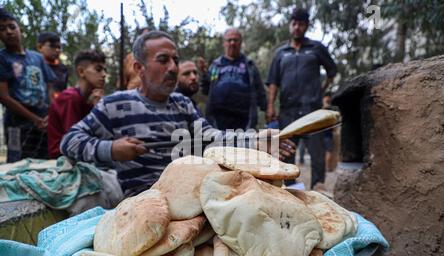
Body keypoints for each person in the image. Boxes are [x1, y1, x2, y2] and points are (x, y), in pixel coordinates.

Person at [60, 30, 295, 197]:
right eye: (163, 60)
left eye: (175, 60)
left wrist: (255, 140)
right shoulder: (114, 105)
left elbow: (211, 138)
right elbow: (69, 141)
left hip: (192, 193)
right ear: (139, 68)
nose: (173, 67)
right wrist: (111, 149)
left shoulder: (182, 104)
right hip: (144, 201)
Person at [266, 8, 337, 189]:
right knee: (286, 152)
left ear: (306, 26)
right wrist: (270, 106)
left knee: (317, 152)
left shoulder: (316, 48)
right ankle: (290, 188)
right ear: (290, 25)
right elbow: (273, 82)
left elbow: (332, 72)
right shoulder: (281, 53)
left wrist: (321, 91)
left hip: (311, 110)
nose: (297, 27)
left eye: (301, 24)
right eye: (294, 23)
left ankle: (317, 188)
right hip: (287, 110)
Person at [0, 8, 56, 162]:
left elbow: (49, 88)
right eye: (2, 29)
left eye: (12, 26)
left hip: (44, 121)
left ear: (20, 29)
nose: (9, 32)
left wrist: (51, 114)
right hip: (17, 125)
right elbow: (3, 97)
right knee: (17, 164)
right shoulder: (3, 58)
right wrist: (34, 119)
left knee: (44, 162)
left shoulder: (37, 58)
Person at [200, 28, 267, 130]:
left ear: (240, 43)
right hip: (219, 120)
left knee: (241, 145)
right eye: (229, 40)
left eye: (236, 40)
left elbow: (259, 90)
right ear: (224, 43)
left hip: (244, 120)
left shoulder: (249, 65)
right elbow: (206, 90)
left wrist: (267, 109)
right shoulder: (216, 65)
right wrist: (204, 74)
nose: (232, 43)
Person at [47, 49, 106, 159]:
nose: (104, 74)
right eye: (98, 69)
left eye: (104, 70)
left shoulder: (89, 99)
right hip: (61, 158)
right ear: (81, 72)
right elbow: (74, 140)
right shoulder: (70, 98)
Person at [37, 31, 69, 100]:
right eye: (52, 46)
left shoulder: (63, 69)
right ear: (40, 47)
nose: (57, 50)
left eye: (59, 47)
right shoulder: (34, 66)